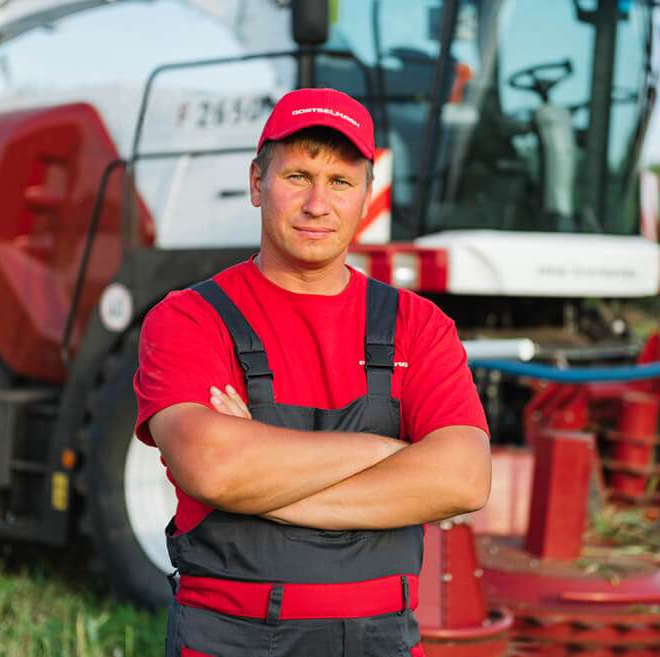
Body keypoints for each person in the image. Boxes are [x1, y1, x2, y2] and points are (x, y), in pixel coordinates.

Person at [134, 87, 491, 657]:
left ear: (367, 196)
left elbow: (463, 479)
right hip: (231, 640)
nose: (317, 204)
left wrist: (260, 484)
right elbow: (213, 467)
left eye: (341, 182)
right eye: (298, 176)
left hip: (381, 642)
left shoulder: (418, 325)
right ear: (257, 183)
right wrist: (385, 450)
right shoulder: (190, 319)